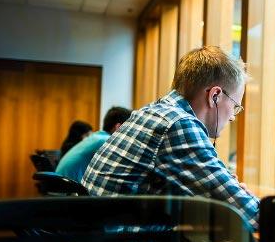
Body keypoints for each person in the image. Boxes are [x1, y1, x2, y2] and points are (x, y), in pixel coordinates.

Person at [83, 46, 259, 227]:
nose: (232, 116)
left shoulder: (152, 112)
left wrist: (229, 191)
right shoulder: (178, 124)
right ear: (215, 96)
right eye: (236, 106)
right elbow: (251, 215)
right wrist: (238, 195)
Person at [55, 107, 132, 183]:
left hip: (62, 183)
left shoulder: (97, 137)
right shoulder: (105, 140)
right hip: (69, 188)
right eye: (130, 128)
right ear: (118, 127)